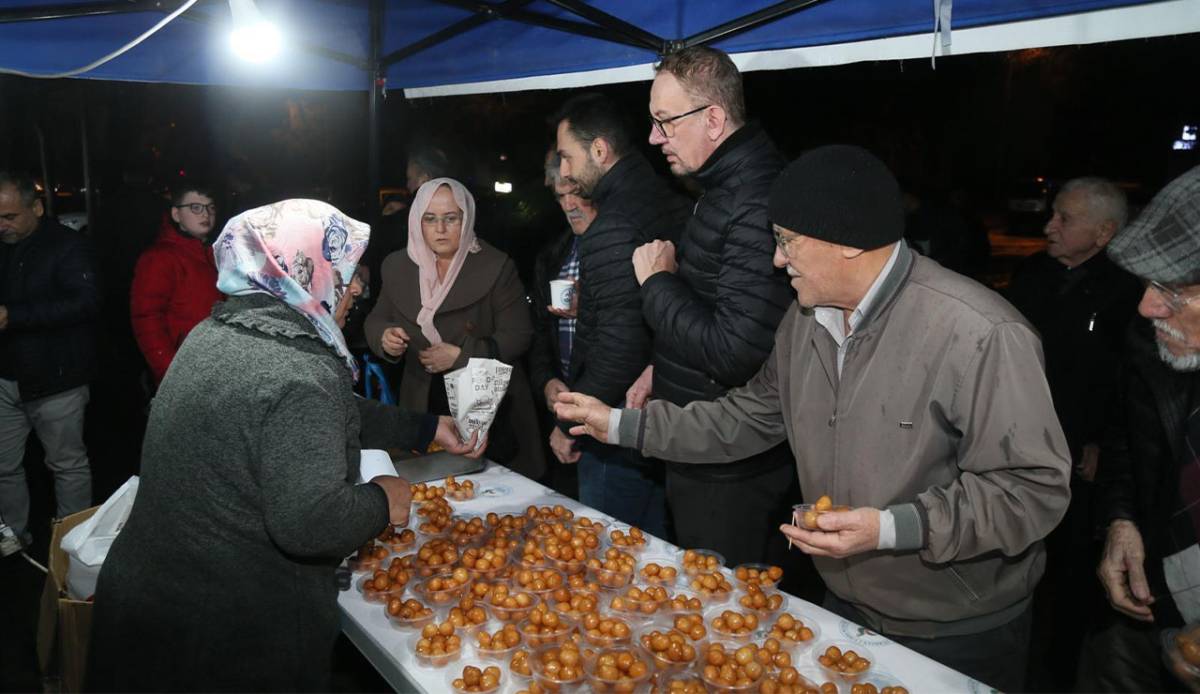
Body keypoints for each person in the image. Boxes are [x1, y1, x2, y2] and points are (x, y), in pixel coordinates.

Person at [556, 145, 1072, 691]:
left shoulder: (980, 334)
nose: (777, 260)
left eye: (786, 240)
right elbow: (745, 418)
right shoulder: (805, 322)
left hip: (954, 629)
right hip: (843, 604)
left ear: (846, 243)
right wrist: (619, 425)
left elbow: (1031, 491)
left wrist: (890, 528)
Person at [87, 199, 482, 691]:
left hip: (150, 607)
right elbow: (310, 521)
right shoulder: (296, 369)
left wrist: (423, 430)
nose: (357, 287)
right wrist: (384, 498)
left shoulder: (219, 331)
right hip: (223, 639)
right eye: (345, 268)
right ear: (301, 269)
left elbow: (322, 411)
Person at [629, 46, 795, 567]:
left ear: (715, 119)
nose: (655, 138)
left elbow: (733, 353)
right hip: (704, 444)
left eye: (664, 122)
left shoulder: (753, 194)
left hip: (731, 465)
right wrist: (661, 367)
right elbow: (715, 303)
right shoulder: (723, 183)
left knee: (729, 627)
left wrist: (656, 284)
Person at [1007, 176, 1142, 689]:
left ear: (1104, 232)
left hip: (1080, 464)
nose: (1049, 226)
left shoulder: (1129, 293)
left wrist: (1102, 445)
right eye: (1053, 214)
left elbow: (1132, 385)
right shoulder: (1033, 275)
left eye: (1065, 218)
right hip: (1018, 445)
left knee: (1069, 583)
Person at [551, 93, 689, 536]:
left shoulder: (612, 223)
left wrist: (567, 420)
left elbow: (618, 345)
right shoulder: (658, 195)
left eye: (567, 158)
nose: (566, 172)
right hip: (660, 419)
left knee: (610, 568)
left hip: (616, 430)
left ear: (599, 150)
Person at [1090, 165, 1200, 692]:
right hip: (1146, 610)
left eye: (1173, 291)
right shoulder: (1150, 346)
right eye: (1148, 284)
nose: (1147, 306)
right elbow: (1128, 446)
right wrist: (1121, 522)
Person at [364, 178, 544, 479]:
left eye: (451, 218)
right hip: (423, 403)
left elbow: (519, 335)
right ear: (417, 222)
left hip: (490, 407)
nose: (440, 229)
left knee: (498, 503)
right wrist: (384, 337)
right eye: (430, 219)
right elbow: (376, 318)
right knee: (431, 502)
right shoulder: (397, 266)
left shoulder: (496, 265)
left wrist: (461, 356)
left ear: (467, 218)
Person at [0, 171, 99, 550]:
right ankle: (12, 540)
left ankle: (72, 545)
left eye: (10, 217)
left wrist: (15, 316)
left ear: (37, 208)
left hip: (57, 377)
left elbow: (86, 302)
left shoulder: (68, 246)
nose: (2, 225)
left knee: (67, 466)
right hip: (6, 376)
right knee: (4, 465)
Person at [129, 185, 225, 385]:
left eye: (210, 207)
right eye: (195, 208)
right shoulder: (159, 258)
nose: (206, 214)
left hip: (215, 365)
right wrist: (170, 373)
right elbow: (147, 320)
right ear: (176, 214)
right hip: (184, 370)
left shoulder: (214, 253)